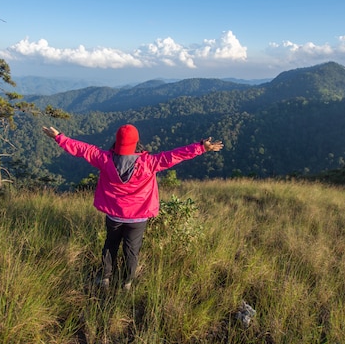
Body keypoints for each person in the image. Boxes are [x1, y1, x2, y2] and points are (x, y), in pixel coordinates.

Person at [42, 123, 223, 290]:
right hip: (138, 217)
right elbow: (174, 156)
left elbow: (83, 149)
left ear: (117, 141)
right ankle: (127, 283)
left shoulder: (104, 159)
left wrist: (59, 137)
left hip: (114, 215)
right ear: (136, 142)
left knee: (110, 244)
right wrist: (201, 147)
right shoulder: (148, 163)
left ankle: (104, 278)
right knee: (132, 250)